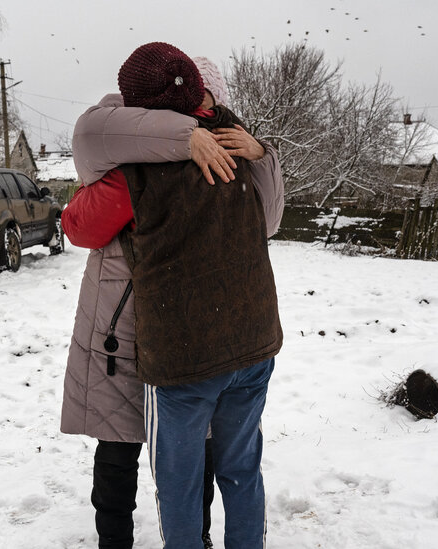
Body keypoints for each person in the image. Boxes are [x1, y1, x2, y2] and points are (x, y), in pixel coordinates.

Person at [61, 51, 284, 549]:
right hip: (229, 338)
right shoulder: (239, 156)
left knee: (148, 465)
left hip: (160, 339)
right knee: (227, 464)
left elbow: (80, 226)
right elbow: (266, 225)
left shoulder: (129, 172)